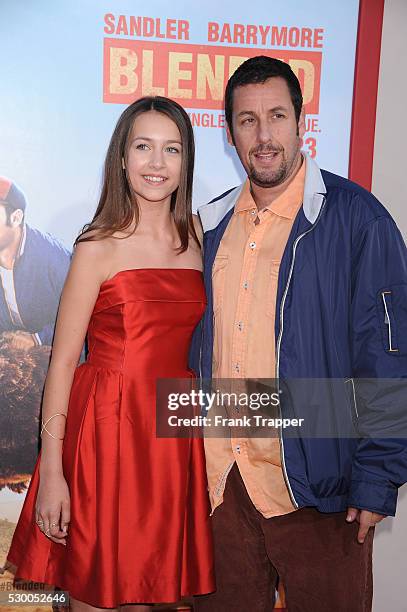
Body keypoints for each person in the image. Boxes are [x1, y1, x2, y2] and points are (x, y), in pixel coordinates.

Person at [190, 56, 407, 612]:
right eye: (247, 121)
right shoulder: (207, 226)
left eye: (277, 116)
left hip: (320, 487)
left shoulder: (360, 220)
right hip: (221, 488)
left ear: (301, 122)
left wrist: (378, 476)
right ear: (230, 132)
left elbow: (387, 357)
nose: (263, 136)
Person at [5, 96, 215, 610]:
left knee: (154, 595)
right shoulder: (95, 246)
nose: (157, 163)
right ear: (122, 158)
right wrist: (51, 471)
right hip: (105, 434)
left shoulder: (199, 238)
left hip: (171, 440)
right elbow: (61, 364)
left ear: (186, 161)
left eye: (172, 149)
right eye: (143, 147)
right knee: (99, 594)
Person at [0, 177, 71, 349]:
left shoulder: (53, 256)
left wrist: (39, 338)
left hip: (61, 353)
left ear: (16, 217)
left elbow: (89, 312)